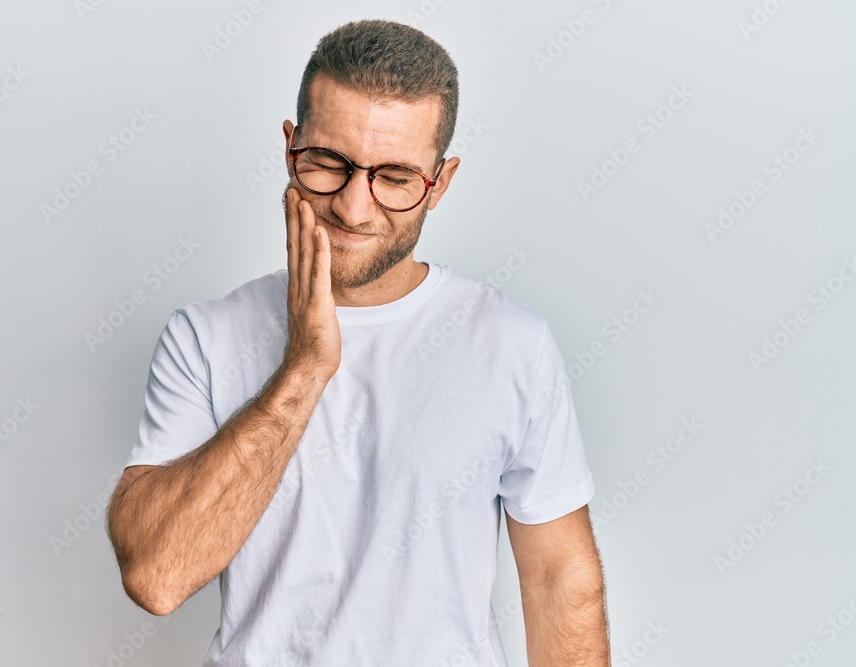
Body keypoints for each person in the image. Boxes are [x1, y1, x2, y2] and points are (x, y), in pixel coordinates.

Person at [106, 18, 610, 667]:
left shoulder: (512, 345)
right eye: (328, 163)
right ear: (291, 148)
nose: (353, 207)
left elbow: (558, 578)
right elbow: (157, 576)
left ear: (440, 182)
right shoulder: (205, 338)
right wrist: (304, 368)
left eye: (395, 177)